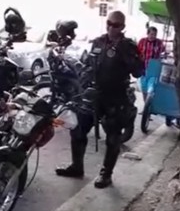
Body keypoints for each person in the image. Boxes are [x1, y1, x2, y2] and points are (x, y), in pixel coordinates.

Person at [56, 10, 144, 189]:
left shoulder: (128, 46)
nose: (111, 28)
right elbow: (88, 64)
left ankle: (106, 174)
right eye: (109, 23)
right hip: (93, 95)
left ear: (123, 27)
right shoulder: (98, 42)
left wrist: (125, 56)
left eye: (116, 25)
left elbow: (139, 71)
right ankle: (77, 166)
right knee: (78, 130)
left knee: (112, 138)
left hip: (115, 97)